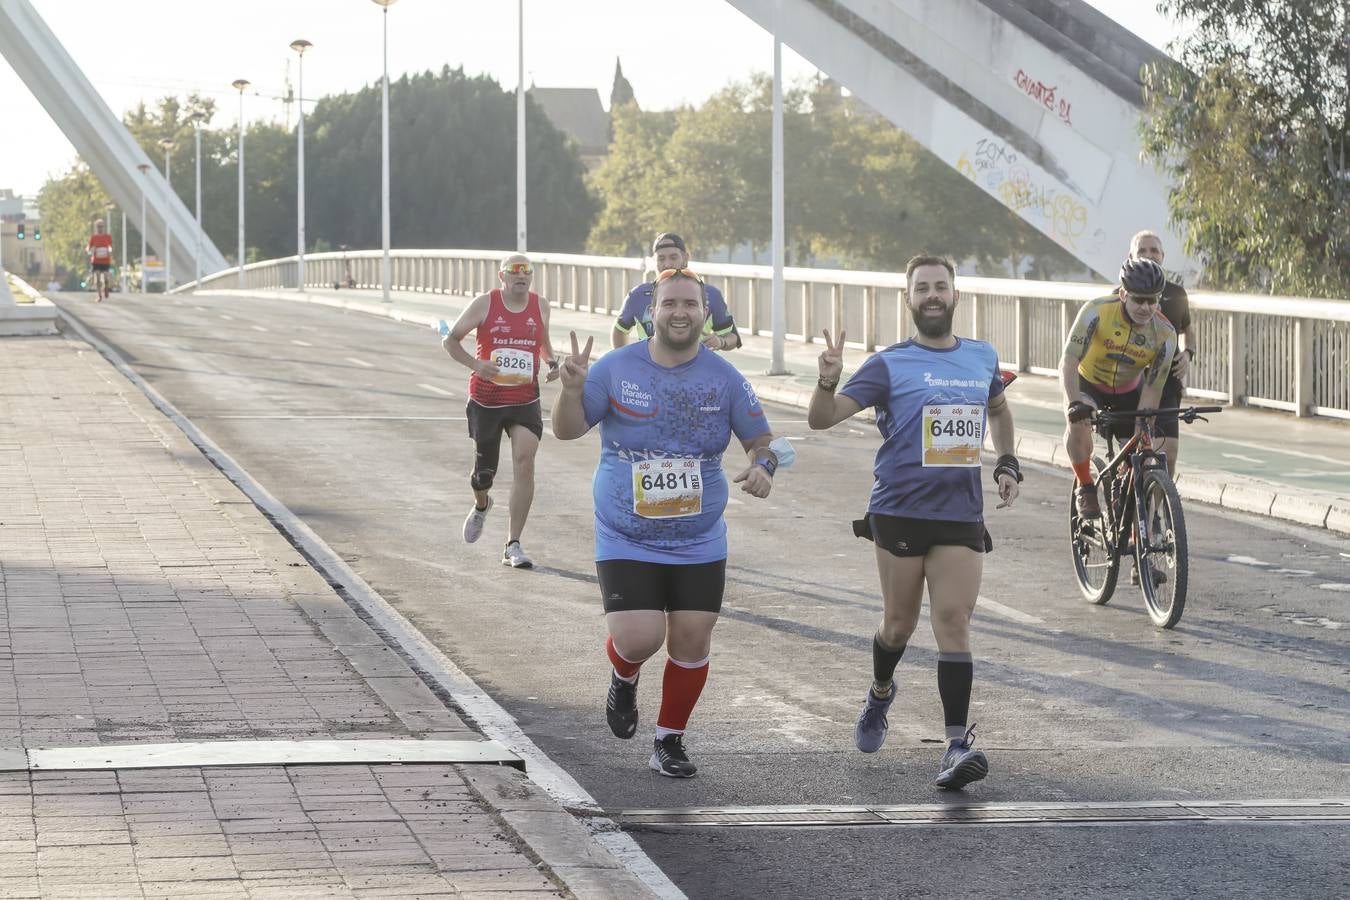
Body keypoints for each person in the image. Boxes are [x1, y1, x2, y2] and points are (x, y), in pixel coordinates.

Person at [553, 267, 777, 779]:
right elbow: (566, 432)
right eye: (670, 303)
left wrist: (765, 466)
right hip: (625, 534)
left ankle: (669, 739)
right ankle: (624, 673)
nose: (680, 312)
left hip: (698, 538)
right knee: (639, 639)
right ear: (651, 312)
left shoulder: (725, 378)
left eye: (690, 305)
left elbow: (764, 440)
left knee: (693, 636)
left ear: (704, 313)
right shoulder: (614, 368)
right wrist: (571, 390)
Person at [807, 255, 1021, 791]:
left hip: (959, 513)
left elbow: (997, 408)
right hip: (900, 509)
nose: (931, 295)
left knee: (953, 620)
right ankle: (881, 692)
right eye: (921, 288)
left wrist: (1007, 460)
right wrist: (827, 382)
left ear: (955, 296)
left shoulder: (980, 357)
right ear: (908, 300)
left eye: (940, 287)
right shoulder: (888, 364)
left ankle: (955, 745)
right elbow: (822, 419)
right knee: (899, 625)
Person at [442, 253, 558, 568]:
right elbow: (450, 341)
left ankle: (513, 544)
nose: (521, 276)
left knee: (525, 461)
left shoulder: (540, 305)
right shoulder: (485, 304)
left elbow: (543, 342)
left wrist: (552, 362)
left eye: (527, 271)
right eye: (515, 271)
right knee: (483, 475)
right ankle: (481, 505)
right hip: (486, 400)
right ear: (502, 276)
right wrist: (476, 365)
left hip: (524, 401)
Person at [1060, 258, 1177, 522]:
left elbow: (1153, 387)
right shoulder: (1096, 311)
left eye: (1152, 300)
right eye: (1138, 300)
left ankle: (1139, 536)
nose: (1145, 307)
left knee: (1144, 457)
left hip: (1128, 391)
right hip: (1088, 382)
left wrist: (1141, 432)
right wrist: (1073, 403)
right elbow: (1068, 362)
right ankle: (1085, 485)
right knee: (1077, 423)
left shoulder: (1166, 334)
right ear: (1123, 294)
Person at [1128, 230, 1194, 479]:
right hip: (1131, 384)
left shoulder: (1177, 294)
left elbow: (1188, 330)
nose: (1149, 255)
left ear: (1163, 256)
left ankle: (1157, 511)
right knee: (1138, 452)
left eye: (1154, 250)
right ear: (1131, 256)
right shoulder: (1120, 296)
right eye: (1142, 250)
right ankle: (1130, 503)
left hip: (1167, 383)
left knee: (1168, 455)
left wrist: (1188, 354)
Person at [611, 233, 741, 352]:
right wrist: (624, 362)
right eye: (661, 259)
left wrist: (721, 342)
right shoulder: (637, 295)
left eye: (673, 257)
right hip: (650, 374)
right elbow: (619, 330)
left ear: (685, 258)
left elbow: (732, 337)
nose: (667, 264)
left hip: (695, 373)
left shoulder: (711, 295)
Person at [86, 220, 114, 302]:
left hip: (106, 260)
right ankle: (99, 295)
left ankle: (106, 287)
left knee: (105, 277)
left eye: (101, 226)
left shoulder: (108, 237)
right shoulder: (93, 237)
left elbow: (110, 246)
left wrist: (110, 250)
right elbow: (88, 248)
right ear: (96, 228)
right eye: (98, 227)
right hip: (96, 260)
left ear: (104, 227)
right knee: (97, 277)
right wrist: (91, 249)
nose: (100, 228)